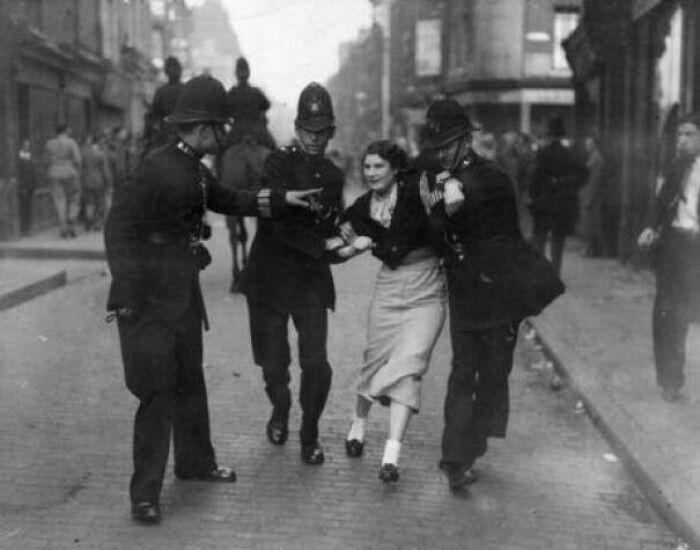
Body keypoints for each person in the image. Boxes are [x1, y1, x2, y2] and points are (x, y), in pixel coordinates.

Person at [104, 74, 319, 525]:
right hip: (149, 299)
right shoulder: (154, 168)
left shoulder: (194, 169)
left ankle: (196, 463)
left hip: (181, 293)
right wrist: (126, 290)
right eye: (219, 128)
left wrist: (283, 200)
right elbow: (117, 229)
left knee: (190, 383)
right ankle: (144, 494)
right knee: (158, 394)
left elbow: (231, 198)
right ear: (202, 129)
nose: (224, 137)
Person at [419, 98, 564, 490]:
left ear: (466, 140)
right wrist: (443, 211)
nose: (443, 153)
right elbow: (434, 236)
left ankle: (474, 445)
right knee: (463, 372)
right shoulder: (434, 181)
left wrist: (457, 205)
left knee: (495, 374)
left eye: (449, 145)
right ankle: (456, 459)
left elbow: (507, 238)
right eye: (439, 147)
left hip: (497, 292)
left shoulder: (495, 179)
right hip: (466, 291)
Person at [240, 82, 345, 466]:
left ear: (331, 131)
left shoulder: (333, 175)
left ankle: (310, 433)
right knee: (273, 361)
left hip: (310, 282)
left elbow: (334, 223)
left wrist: (345, 240)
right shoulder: (276, 163)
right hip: (270, 275)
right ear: (297, 129)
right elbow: (280, 223)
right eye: (307, 131)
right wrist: (323, 245)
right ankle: (281, 407)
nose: (314, 139)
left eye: (322, 132)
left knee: (315, 362)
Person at [340, 140, 447, 483]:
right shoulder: (361, 208)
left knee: (410, 366)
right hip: (388, 288)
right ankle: (358, 422)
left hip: (428, 286)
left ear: (395, 168)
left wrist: (451, 182)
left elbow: (439, 177)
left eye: (378, 167)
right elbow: (341, 229)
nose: (371, 173)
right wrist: (350, 244)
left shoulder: (417, 186)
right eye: (367, 167)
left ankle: (391, 454)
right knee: (375, 358)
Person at [638, 112, 700, 403]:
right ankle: (670, 380)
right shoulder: (677, 167)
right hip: (674, 247)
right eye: (680, 135)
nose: (682, 140)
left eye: (689, 134)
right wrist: (651, 226)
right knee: (666, 313)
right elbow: (660, 202)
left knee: (686, 313)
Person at [527, 117, 588, 276]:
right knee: (558, 240)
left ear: (549, 133)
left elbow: (535, 178)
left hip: (544, 204)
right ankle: (555, 273)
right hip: (563, 204)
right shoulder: (571, 154)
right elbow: (583, 175)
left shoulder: (543, 154)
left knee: (539, 238)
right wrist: (568, 185)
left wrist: (533, 196)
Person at [225, 57, 276, 150]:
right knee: (273, 149)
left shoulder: (231, 94)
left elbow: (226, 112)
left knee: (220, 153)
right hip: (257, 132)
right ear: (249, 73)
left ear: (236, 74)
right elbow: (266, 105)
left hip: (236, 132)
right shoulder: (256, 92)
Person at [45, 123, 82, 238]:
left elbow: (46, 160)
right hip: (69, 172)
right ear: (66, 130)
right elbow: (77, 159)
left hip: (54, 173)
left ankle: (63, 228)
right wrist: (77, 171)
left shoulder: (49, 143)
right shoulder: (71, 142)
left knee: (59, 200)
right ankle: (71, 220)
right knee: (74, 198)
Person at [143, 56, 185, 155]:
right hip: (181, 137)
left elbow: (153, 115)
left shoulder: (161, 91)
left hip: (168, 137)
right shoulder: (186, 89)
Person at [580, 135, 605, 257]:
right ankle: (590, 249)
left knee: (590, 224)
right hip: (589, 194)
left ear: (594, 145)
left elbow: (595, 179)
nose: (586, 146)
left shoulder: (596, 158)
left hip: (592, 195)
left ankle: (591, 250)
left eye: (589, 144)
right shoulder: (593, 157)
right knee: (589, 224)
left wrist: (589, 198)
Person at [80, 134, 112, 231]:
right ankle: (97, 223)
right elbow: (105, 171)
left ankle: (88, 222)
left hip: (87, 182)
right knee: (99, 203)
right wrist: (109, 183)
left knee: (89, 203)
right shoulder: (101, 155)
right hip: (99, 182)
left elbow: (81, 169)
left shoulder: (84, 154)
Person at [17, 138, 36, 235]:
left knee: (28, 208)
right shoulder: (19, 157)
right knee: (24, 208)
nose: (27, 147)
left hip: (30, 186)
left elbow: (32, 172)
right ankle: (24, 229)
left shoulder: (30, 156)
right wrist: (22, 186)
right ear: (22, 145)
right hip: (24, 186)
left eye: (28, 145)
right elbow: (20, 173)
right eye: (25, 145)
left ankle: (27, 229)